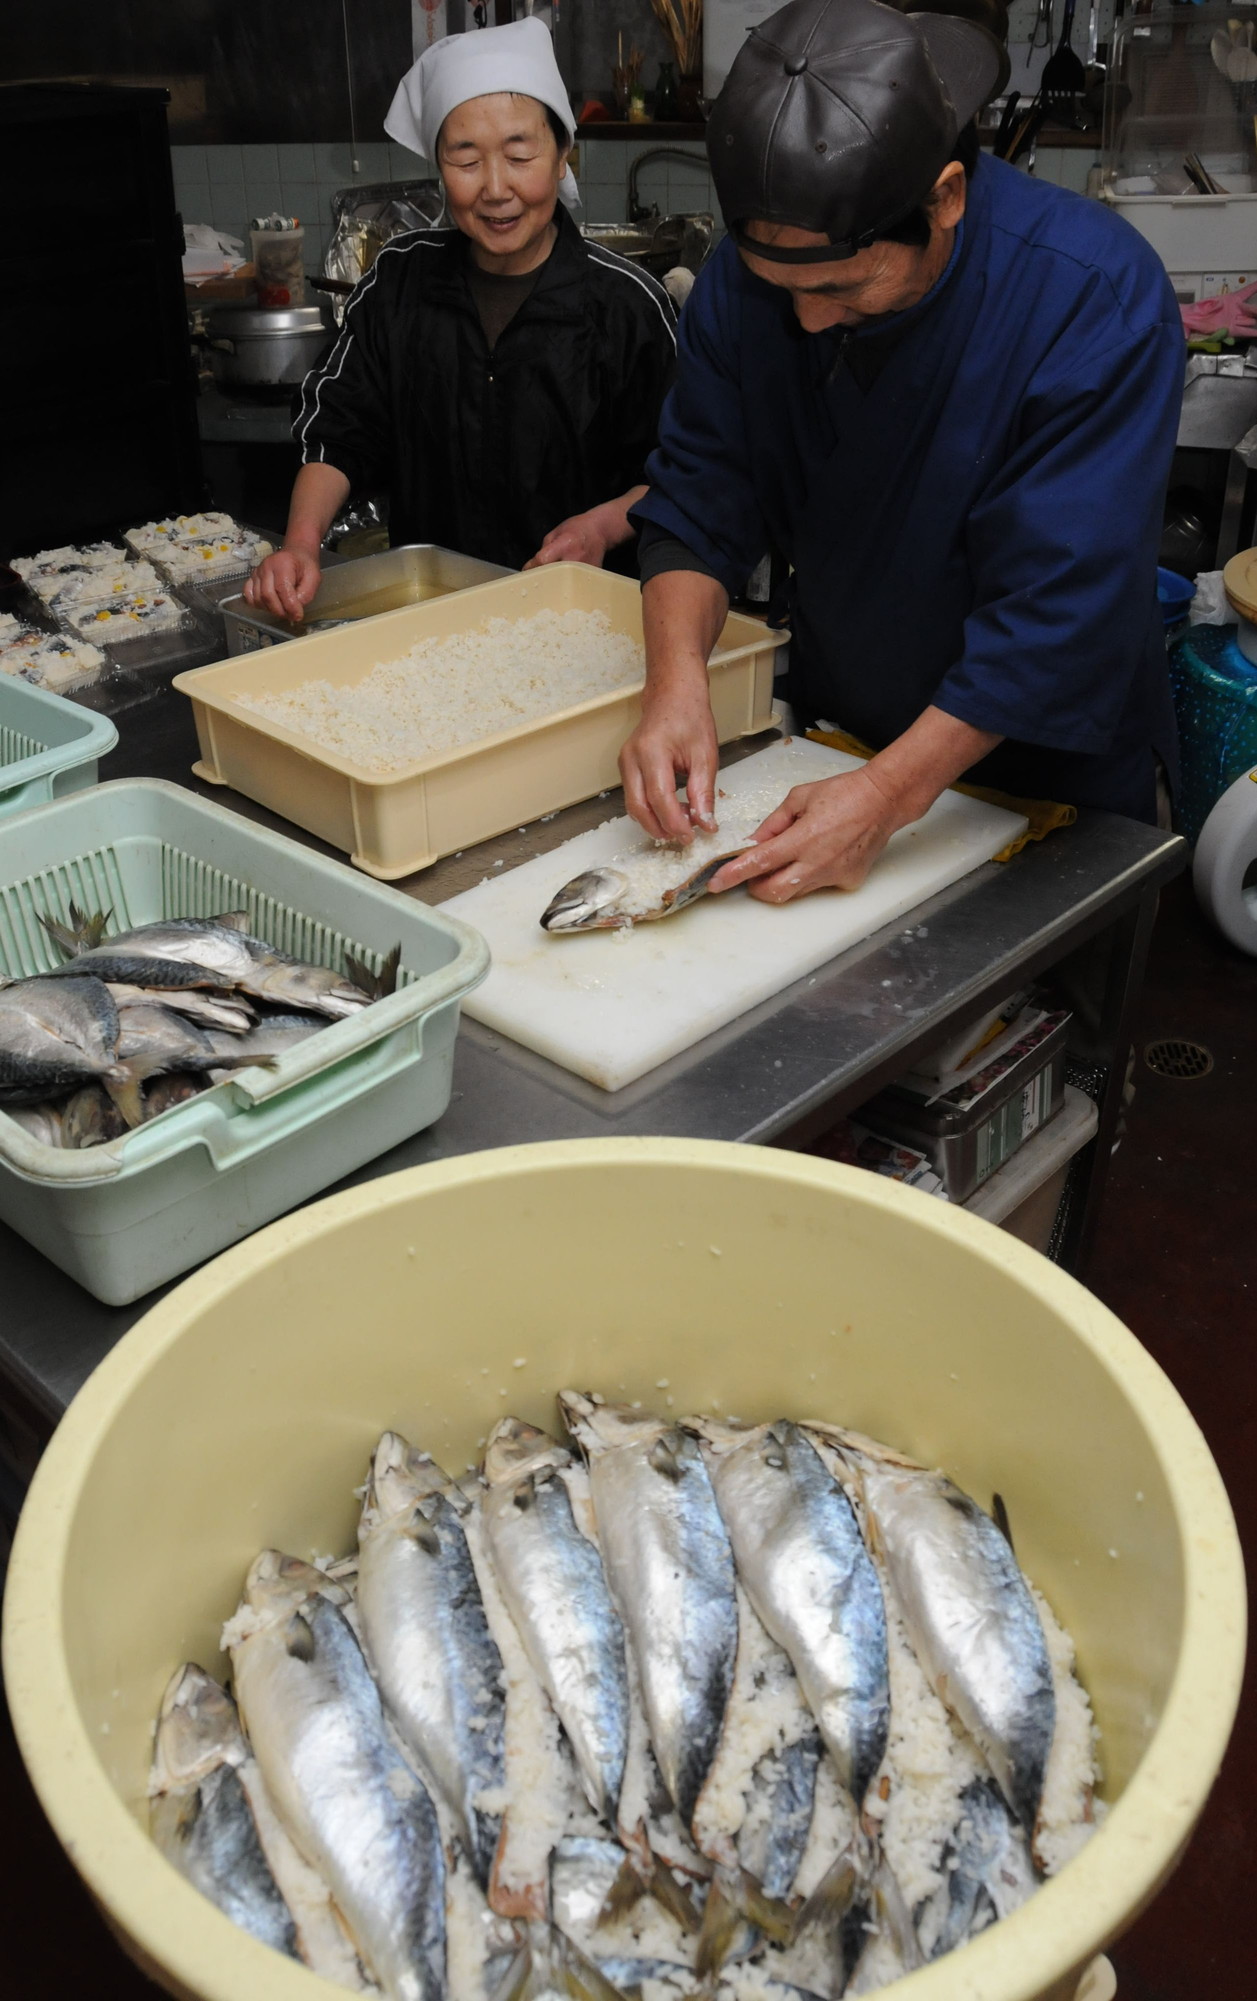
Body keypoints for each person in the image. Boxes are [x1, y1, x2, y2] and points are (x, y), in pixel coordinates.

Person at [619, 0, 1184, 905]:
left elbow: (1056, 609)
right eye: (779, 287)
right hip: (841, 735)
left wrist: (887, 795)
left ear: (946, 197)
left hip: (1045, 772)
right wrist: (676, 680)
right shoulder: (749, 279)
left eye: (842, 285)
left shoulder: (1091, 299)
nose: (804, 318)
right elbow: (700, 496)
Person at [246, 19, 677, 623]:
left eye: (520, 154)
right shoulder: (400, 282)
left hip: (586, 626)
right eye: (466, 160)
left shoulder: (629, 305)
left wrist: (601, 528)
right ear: (439, 168)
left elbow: (682, 471)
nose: (496, 189)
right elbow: (339, 431)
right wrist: (299, 544)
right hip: (431, 621)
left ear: (561, 157)